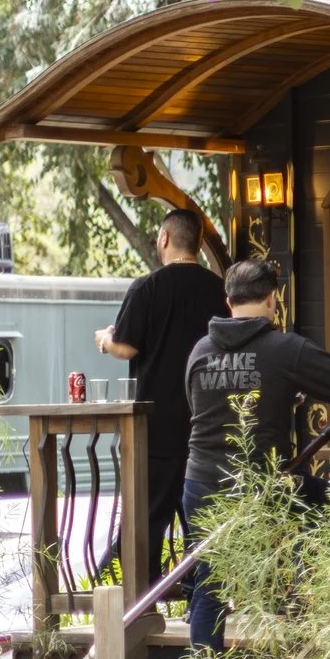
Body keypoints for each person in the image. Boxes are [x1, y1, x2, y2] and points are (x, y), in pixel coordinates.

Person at [181, 259, 330, 659]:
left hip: (200, 483)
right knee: (325, 504)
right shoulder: (286, 349)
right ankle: (302, 600)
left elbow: (203, 410)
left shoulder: (199, 351)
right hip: (258, 488)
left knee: (210, 587)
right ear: (273, 299)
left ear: (228, 300)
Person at [93, 208, 226, 584]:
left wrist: (104, 339)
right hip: (209, 426)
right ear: (198, 244)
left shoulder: (147, 288)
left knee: (149, 520)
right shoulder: (221, 291)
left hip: (156, 427)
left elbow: (125, 347)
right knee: (203, 524)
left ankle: (142, 603)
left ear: (165, 239)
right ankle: (202, 599)